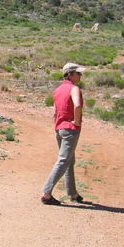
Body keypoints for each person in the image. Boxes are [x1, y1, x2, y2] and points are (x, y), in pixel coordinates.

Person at [41, 62, 86, 205]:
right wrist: (77, 122)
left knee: (69, 161)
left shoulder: (58, 90)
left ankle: (73, 193)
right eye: (78, 73)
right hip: (70, 129)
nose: (80, 75)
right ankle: (46, 193)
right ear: (70, 74)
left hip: (59, 128)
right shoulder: (74, 89)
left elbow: (55, 111)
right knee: (63, 160)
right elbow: (77, 105)